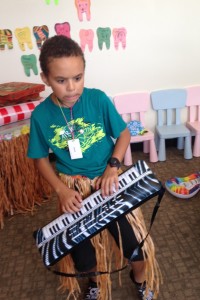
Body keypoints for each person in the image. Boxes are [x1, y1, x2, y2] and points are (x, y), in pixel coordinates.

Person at [27, 35, 161, 300]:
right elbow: (40, 158)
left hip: (107, 182)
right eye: (61, 80)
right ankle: (94, 284)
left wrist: (113, 166)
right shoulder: (41, 116)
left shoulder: (98, 100)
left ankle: (141, 280)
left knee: (136, 246)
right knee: (83, 256)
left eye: (78, 78)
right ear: (45, 78)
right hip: (72, 189)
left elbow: (123, 135)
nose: (71, 88)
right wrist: (60, 191)